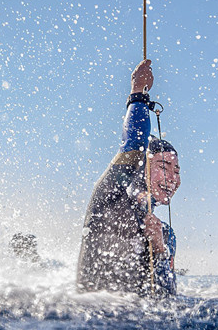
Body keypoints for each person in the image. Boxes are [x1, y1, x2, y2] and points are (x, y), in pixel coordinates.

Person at [77, 59, 181, 296]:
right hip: (89, 323)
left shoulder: (166, 234)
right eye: (164, 165)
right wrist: (137, 94)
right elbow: (134, 144)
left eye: (177, 171)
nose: (172, 178)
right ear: (143, 165)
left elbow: (167, 297)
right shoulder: (111, 196)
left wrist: (160, 249)